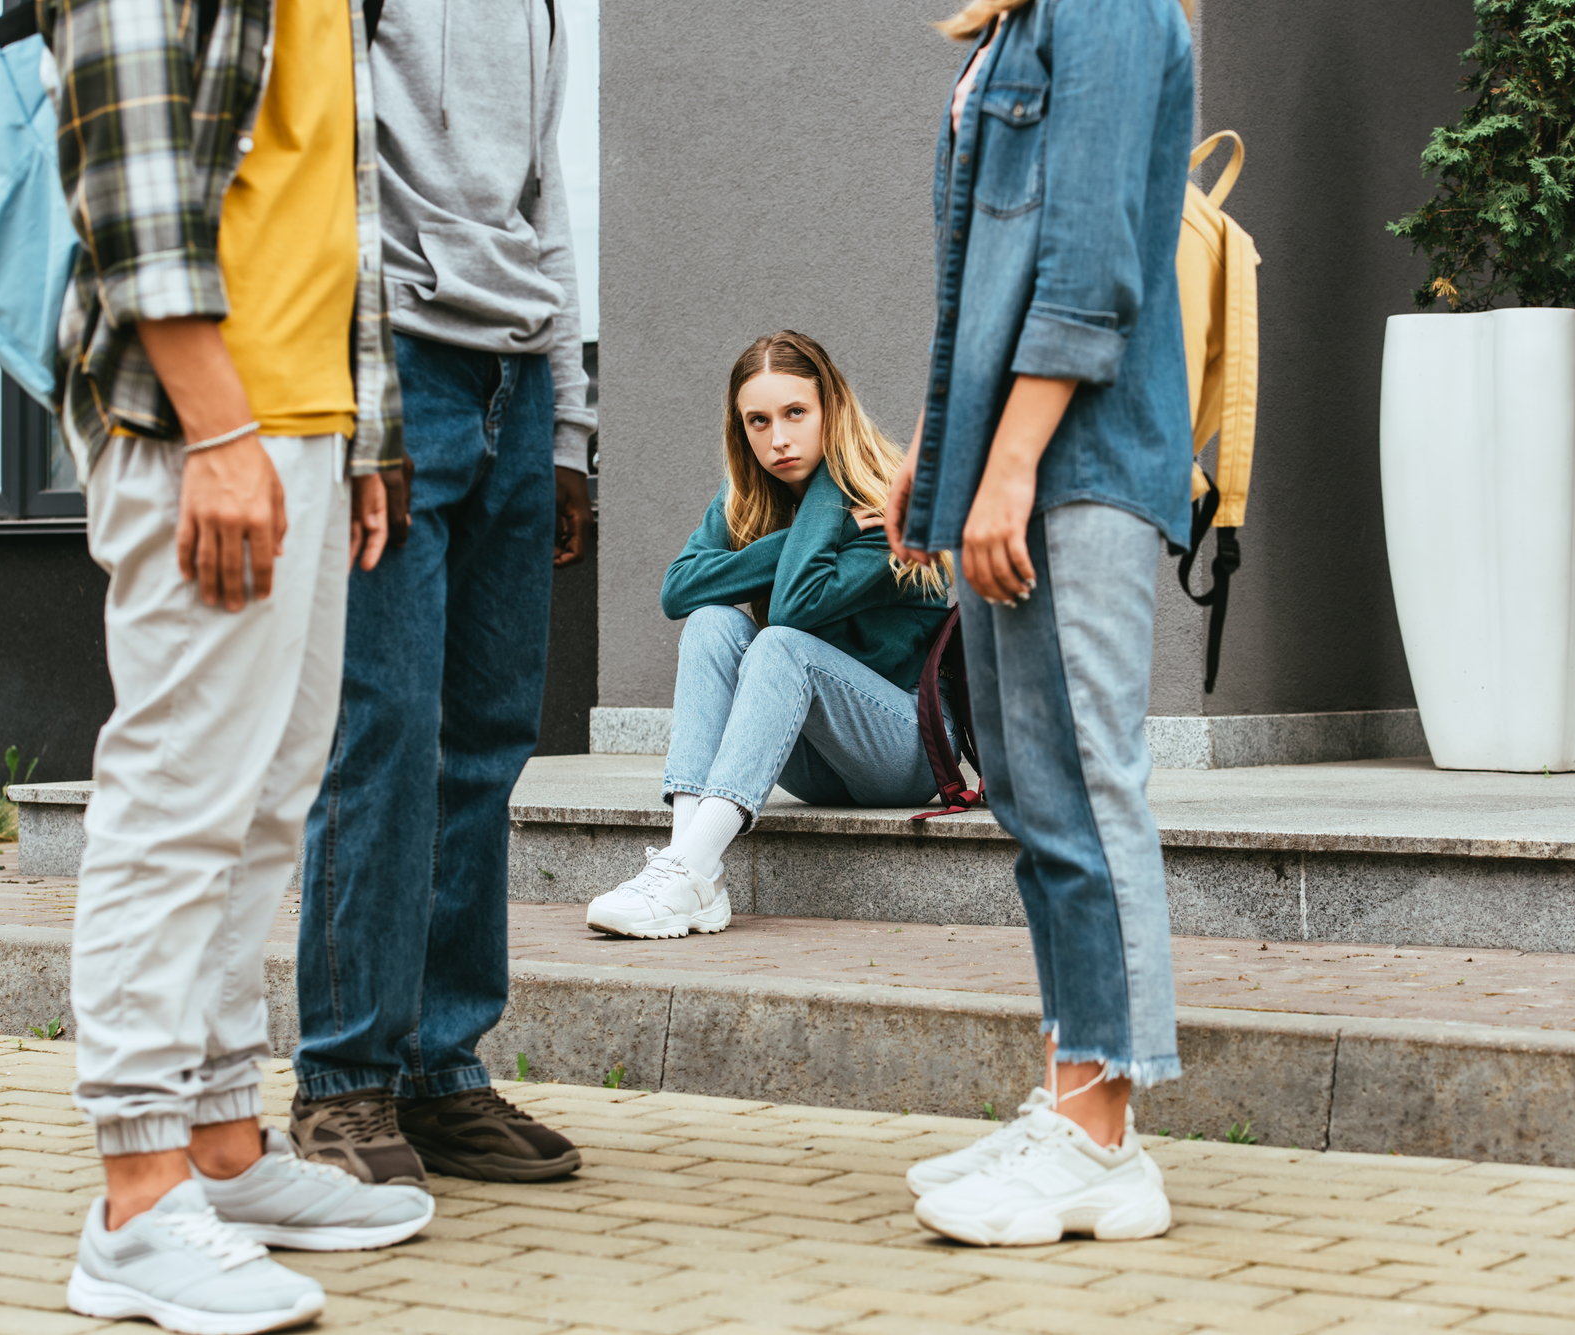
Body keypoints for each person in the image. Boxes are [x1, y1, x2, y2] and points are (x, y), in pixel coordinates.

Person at [45, 0, 435, 1328]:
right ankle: (137, 1200)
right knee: (178, 799)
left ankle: (218, 1146)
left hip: (304, 418)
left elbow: (338, 189)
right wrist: (216, 424)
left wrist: (365, 428)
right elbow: (128, 153)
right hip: (200, 418)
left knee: (269, 797)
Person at [882, 0, 1196, 1247]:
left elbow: (1088, 262)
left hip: (1079, 463)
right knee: (1032, 791)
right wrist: (937, 452)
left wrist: (1005, 465)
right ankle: (1075, 1088)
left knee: (1084, 779)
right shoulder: (1009, 29)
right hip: (1011, 458)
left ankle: (1104, 1138)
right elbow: (980, 280)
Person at [286, 0, 595, 1187]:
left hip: (516, 382)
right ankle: (342, 1081)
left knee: (486, 743)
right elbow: (331, 173)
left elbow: (543, 197)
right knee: (385, 734)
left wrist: (568, 427)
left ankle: (440, 1068)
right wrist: (365, 412)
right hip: (399, 365)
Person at [583, 331, 956, 939]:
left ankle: (689, 870)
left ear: (830, 411)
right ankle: (687, 866)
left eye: (795, 413)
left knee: (779, 643)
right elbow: (679, 591)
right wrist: (809, 534)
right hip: (815, 761)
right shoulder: (750, 500)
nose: (777, 439)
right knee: (712, 621)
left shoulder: (890, 501)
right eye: (757, 422)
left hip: (906, 748)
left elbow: (795, 606)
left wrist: (828, 505)